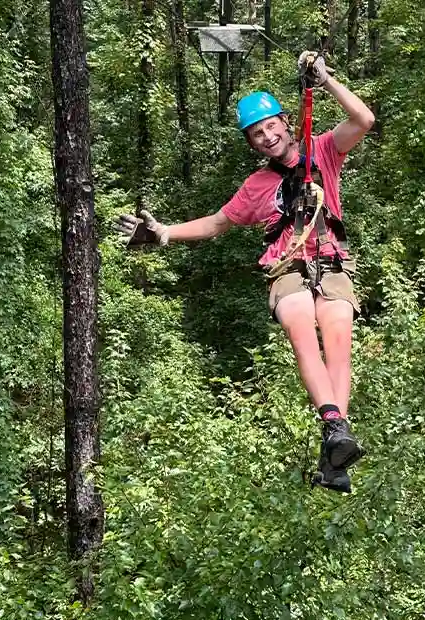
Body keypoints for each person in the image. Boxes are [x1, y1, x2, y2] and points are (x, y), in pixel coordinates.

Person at [114, 52, 374, 493]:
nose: (267, 135)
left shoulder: (324, 151)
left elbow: (363, 119)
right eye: (257, 133)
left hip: (330, 260)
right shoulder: (256, 186)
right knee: (300, 326)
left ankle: (337, 446)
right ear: (251, 143)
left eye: (271, 125)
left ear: (287, 122)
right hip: (287, 266)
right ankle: (333, 425)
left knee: (338, 336)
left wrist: (326, 80)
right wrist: (163, 234)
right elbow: (217, 223)